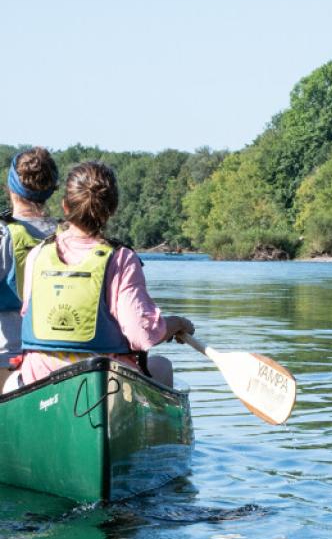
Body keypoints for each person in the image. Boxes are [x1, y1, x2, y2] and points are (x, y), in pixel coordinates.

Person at [7, 160, 194, 391]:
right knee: (162, 366)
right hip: (106, 383)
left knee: (9, 385)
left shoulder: (38, 254)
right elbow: (141, 333)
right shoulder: (121, 258)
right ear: (112, 209)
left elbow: (28, 313)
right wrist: (176, 324)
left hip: (41, 381)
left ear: (65, 206)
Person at [0, 148, 59, 389]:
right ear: (51, 190)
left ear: (10, 188)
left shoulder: (3, 234)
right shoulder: (70, 235)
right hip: (57, 360)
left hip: (6, 359)